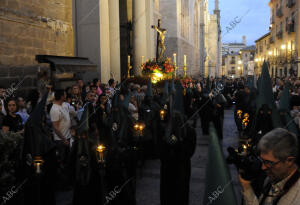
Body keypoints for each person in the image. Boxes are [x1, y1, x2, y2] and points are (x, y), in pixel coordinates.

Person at [239, 128, 300, 205]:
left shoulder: (297, 198)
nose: (263, 167)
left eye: (269, 162)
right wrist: (246, 186)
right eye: (262, 161)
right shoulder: (274, 177)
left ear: (289, 161)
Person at [50, 90, 71, 166]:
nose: (66, 96)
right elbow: (55, 127)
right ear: (62, 97)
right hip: (60, 140)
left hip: (68, 137)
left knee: (68, 159)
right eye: (65, 95)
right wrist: (64, 139)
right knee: (62, 160)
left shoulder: (64, 105)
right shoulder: (55, 109)